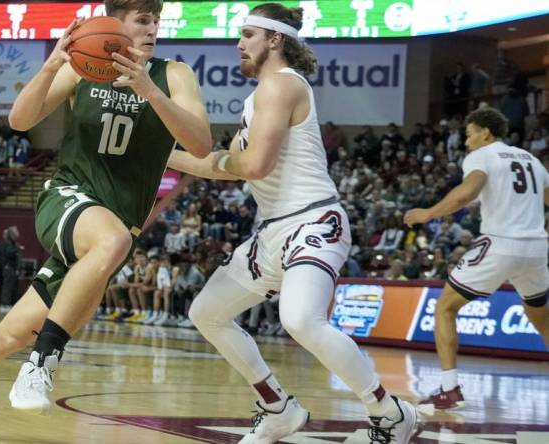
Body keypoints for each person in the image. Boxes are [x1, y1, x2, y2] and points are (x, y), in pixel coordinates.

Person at [0, 0, 211, 437]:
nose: (153, 29)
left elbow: (202, 145)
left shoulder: (173, 76)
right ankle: (43, 361)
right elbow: (20, 120)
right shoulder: (84, 66)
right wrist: (51, 65)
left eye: (156, 21)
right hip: (69, 198)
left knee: (10, 334)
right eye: (142, 21)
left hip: (114, 225)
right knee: (111, 243)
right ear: (115, 26)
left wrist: (147, 90)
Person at [167, 4, 416, 443]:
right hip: (273, 230)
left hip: (313, 220)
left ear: (274, 39)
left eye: (247, 34)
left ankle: (388, 409)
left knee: (300, 320)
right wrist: (161, 155)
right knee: (206, 312)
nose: (238, 44)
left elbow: (254, 165)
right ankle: (277, 405)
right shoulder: (258, 96)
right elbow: (226, 165)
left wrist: (230, 160)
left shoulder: (281, 86)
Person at [404, 107, 548, 412]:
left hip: (501, 244)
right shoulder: (532, 160)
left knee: (445, 307)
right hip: (536, 248)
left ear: (485, 132)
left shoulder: (483, 156)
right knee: (545, 322)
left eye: (469, 134)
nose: (466, 142)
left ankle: (449, 389)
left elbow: (464, 195)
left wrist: (427, 213)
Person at [0, 226, 22, 311]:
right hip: (8, 268)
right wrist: (18, 249)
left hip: (13, 268)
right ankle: (4, 304)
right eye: (15, 231)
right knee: (7, 287)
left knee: (12, 287)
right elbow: (9, 253)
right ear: (11, 233)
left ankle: (9, 304)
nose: (17, 232)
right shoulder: (8, 243)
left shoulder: (14, 243)